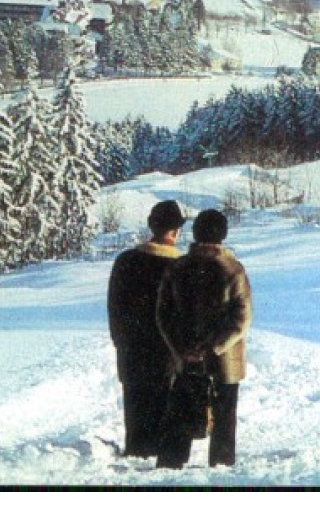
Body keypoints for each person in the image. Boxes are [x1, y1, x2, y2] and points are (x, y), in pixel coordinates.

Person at [155, 208, 252, 469]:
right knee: (224, 415)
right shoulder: (233, 269)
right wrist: (214, 347)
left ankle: (170, 464)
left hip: (185, 356)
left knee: (180, 409)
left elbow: (163, 314)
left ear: (195, 234)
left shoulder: (177, 267)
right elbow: (241, 319)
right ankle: (220, 467)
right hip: (224, 360)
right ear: (223, 235)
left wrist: (180, 348)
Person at [107, 199, 186, 457]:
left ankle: (136, 451)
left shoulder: (125, 260)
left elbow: (114, 308)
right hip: (167, 351)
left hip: (131, 349)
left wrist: (121, 342)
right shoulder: (181, 267)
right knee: (164, 403)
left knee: (135, 402)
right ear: (175, 231)